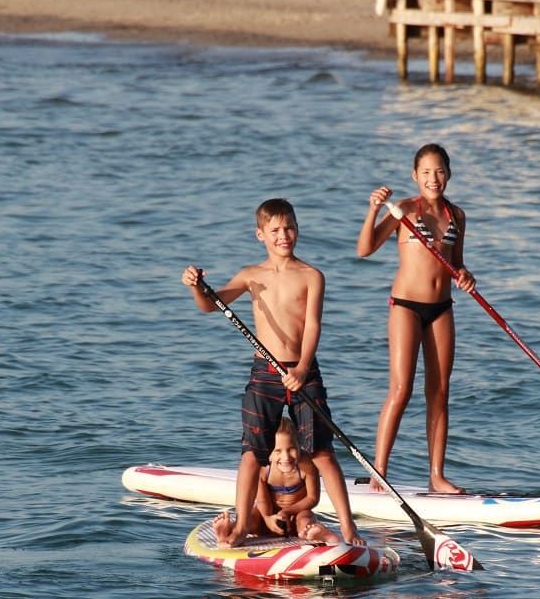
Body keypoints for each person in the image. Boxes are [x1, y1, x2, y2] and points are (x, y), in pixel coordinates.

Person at [182, 197, 362, 548]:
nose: (284, 235)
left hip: (304, 372)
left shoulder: (312, 275)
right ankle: (236, 529)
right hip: (264, 373)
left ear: (298, 229)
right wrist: (195, 286)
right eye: (276, 230)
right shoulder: (251, 276)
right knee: (252, 454)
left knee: (323, 453)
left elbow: (313, 326)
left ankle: (349, 528)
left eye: (290, 227)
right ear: (260, 234)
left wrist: (304, 367)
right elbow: (210, 304)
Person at [356, 143, 475, 495]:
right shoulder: (402, 210)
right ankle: (379, 469)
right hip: (406, 306)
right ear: (415, 176)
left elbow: (458, 262)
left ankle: (436, 475)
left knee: (440, 392)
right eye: (426, 172)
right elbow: (365, 249)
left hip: (442, 308)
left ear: (449, 174)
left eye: (439, 171)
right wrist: (373, 209)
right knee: (402, 388)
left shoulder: (457, 215)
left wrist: (465, 275)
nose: (433, 178)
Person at [212, 418, 339, 543]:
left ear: (299, 444)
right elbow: (262, 500)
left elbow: (312, 498)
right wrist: (268, 518)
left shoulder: (306, 464)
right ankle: (227, 531)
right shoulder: (263, 468)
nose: (286, 457)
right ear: (268, 451)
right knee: (251, 519)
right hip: (268, 515)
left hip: (296, 513)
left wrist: (287, 511)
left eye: (291, 449)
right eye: (277, 451)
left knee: (305, 519)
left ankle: (318, 534)